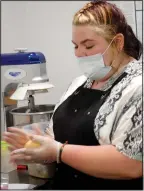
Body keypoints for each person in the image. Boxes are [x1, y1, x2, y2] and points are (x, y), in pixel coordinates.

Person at [3, 0, 143, 190]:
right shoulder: (78, 83)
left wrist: (58, 152)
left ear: (117, 42)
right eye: (76, 46)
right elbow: (53, 140)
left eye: (88, 45)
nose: (80, 54)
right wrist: (39, 148)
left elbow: (132, 164)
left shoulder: (137, 86)